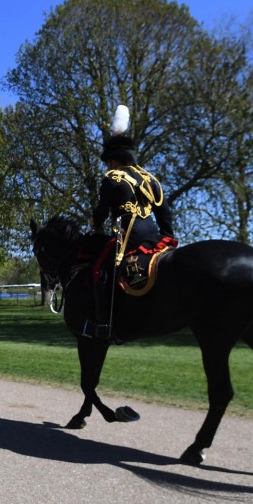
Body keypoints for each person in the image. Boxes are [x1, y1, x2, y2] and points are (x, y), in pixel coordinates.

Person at [86, 105, 176, 338]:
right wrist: (167, 238)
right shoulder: (150, 178)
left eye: (108, 160)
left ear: (114, 159)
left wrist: (94, 225)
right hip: (154, 236)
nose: (107, 165)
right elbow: (165, 213)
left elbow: (103, 212)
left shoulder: (112, 178)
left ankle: (103, 322)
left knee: (98, 271)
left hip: (129, 238)